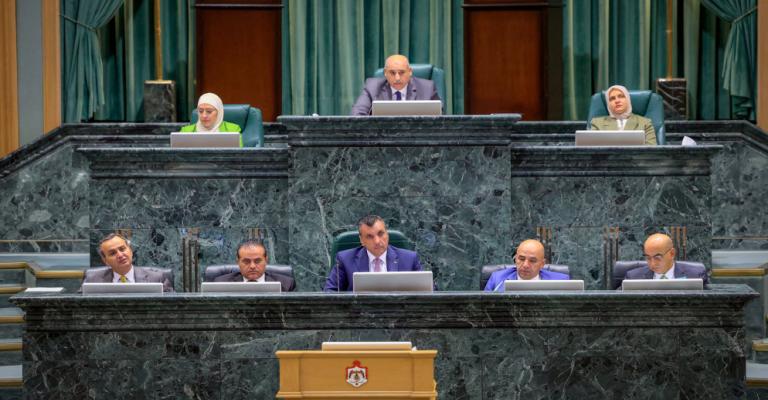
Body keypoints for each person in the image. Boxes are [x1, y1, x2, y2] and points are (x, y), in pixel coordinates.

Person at [324, 215, 424, 292]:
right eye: (370, 237)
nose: (377, 241)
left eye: (381, 234)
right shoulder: (345, 259)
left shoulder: (410, 259)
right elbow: (330, 292)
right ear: (362, 240)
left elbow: (427, 292)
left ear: (387, 235)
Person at [350, 54, 441, 115]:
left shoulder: (427, 88)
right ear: (385, 73)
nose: (397, 78)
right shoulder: (372, 87)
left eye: (401, 72)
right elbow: (357, 115)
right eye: (392, 73)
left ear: (410, 72)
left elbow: (440, 118)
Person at [81, 233, 174, 292]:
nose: (120, 255)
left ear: (131, 251)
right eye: (112, 253)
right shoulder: (92, 280)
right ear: (105, 261)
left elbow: (173, 308)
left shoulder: (157, 278)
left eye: (122, 249)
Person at [484, 239, 569, 292]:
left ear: (542, 264)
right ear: (515, 259)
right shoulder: (497, 279)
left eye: (532, 261)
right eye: (521, 259)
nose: (525, 265)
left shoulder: (561, 281)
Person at [212, 239, 296, 292]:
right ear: (238, 262)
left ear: (266, 260)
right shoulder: (221, 283)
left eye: (257, 261)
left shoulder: (286, 284)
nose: (252, 266)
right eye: (246, 261)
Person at [624, 233, 709, 282]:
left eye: (657, 257)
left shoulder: (696, 275)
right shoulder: (633, 277)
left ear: (672, 254)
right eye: (648, 258)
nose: (652, 264)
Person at [590, 84, 657, 145]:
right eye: (612, 98)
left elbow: (651, 149)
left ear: (628, 99)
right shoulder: (597, 123)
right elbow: (592, 150)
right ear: (608, 104)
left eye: (621, 96)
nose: (617, 101)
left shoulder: (645, 123)